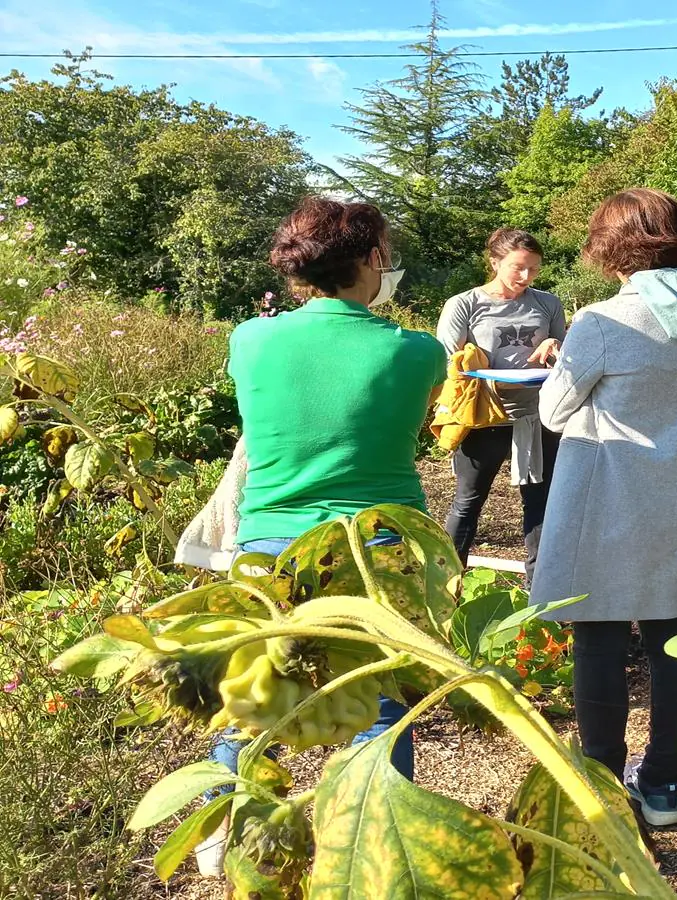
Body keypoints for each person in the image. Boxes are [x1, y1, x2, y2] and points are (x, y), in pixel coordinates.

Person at [197, 196, 447, 873]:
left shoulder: (250, 339)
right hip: (377, 547)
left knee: (256, 691)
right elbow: (412, 430)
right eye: (386, 254)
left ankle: (225, 826)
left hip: (269, 543)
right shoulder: (420, 352)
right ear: (370, 259)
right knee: (378, 699)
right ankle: (374, 833)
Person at [531, 188, 677, 827]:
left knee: (596, 638)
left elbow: (554, 410)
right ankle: (662, 784)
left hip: (609, 497)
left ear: (613, 250)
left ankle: (600, 781)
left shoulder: (605, 321)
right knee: (673, 639)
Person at [437, 229, 566, 582]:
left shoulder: (548, 303)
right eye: (518, 268)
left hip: (536, 416)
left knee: (540, 503)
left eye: (534, 270)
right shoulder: (465, 304)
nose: (526, 277)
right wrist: (471, 362)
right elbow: (447, 361)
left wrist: (555, 344)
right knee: (468, 501)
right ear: (495, 262)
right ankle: (446, 584)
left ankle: (538, 593)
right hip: (483, 416)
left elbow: (568, 358)